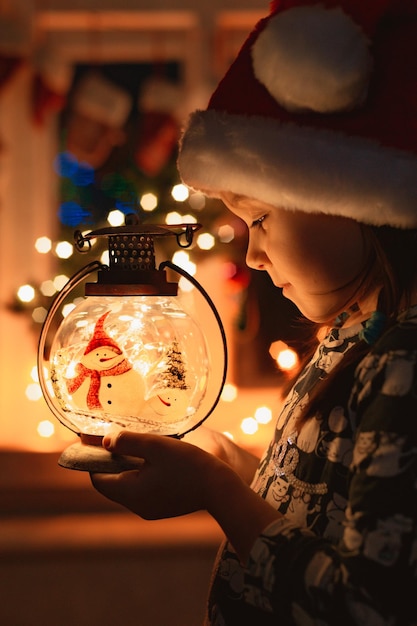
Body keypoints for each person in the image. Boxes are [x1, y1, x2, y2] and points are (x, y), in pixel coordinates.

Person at [90, 1, 417, 623]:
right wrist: (231, 464)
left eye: (260, 218)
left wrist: (217, 493)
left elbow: (364, 606)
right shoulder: (353, 337)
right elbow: (321, 504)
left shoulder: (404, 361)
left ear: (354, 198)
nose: (255, 253)